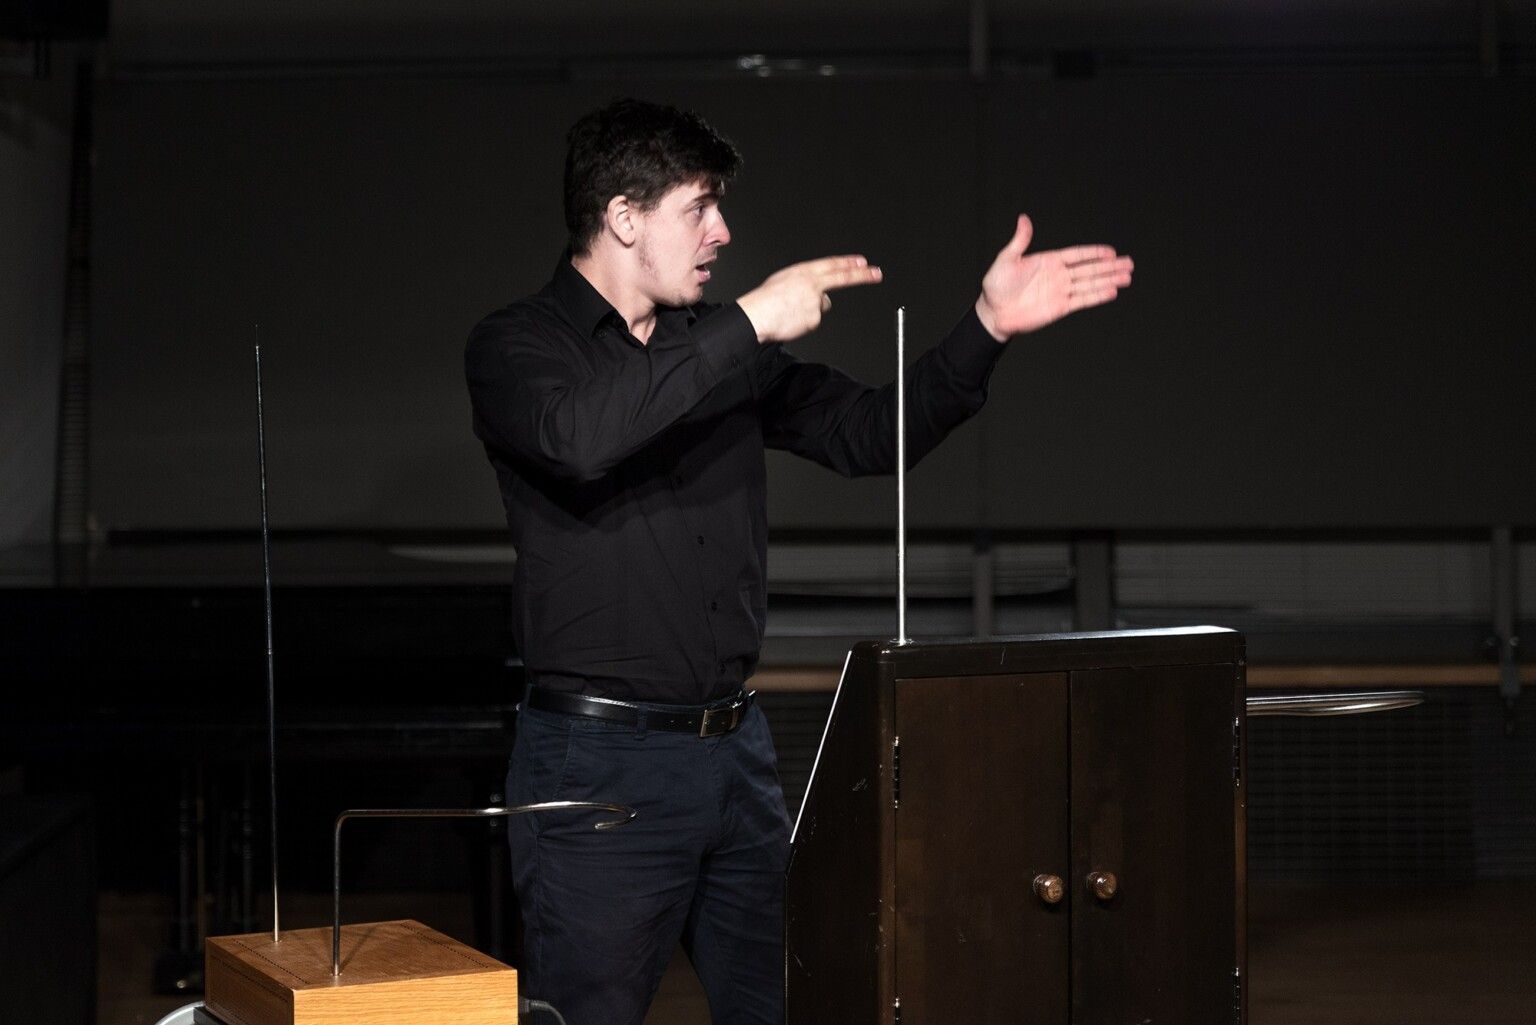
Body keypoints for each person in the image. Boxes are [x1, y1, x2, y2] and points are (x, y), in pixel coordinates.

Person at [464, 97, 1132, 1025]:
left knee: (792, 1005)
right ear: (623, 217)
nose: (721, 231)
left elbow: (870, 434)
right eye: (699, 207)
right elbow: (581, 436)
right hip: (597, 769)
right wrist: (747, 322)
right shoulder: (518, 346)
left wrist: (985, 327)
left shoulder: (718, 350)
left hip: (734, 756)